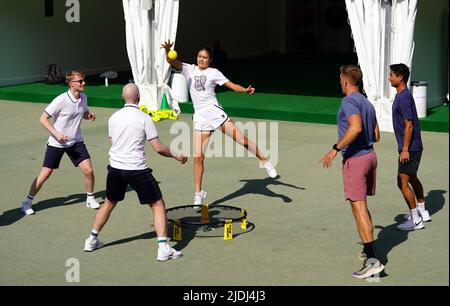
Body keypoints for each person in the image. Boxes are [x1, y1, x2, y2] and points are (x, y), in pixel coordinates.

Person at [161, 40, 277, 207]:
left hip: (215, 113)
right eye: (200, 56)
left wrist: (244, 90)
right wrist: (167, 50)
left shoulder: (214, 72)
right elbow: (171, 61)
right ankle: (198, 194)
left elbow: (232, 85)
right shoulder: (188, 69)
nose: (201, 59)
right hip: (200, 117)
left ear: (210, 60)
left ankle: (266, 162)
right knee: (198, 158)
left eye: (205, 57)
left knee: (242, 141)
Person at [84, 83, 187, 261]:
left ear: (123, 97)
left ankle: (91, 240)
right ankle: (163, 249)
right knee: (158, 205)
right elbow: (158, 148)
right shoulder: (145, 118)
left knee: (108, 203)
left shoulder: (113, 118)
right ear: (138, 97)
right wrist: (177, 155)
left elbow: (113, 141)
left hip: (115, 169)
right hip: (137, 170)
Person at [320, 65, 384, 279]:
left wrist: (335, 148)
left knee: (358, 208)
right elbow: (376, 135)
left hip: (355, 161)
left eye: (340, 80)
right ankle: (368, 249)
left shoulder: (348, 101)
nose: (340, 83)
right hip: (370, 157)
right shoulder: (367, 102)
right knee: (361, 207)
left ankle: (373, 260)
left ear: (346, 82)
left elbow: (355, 127)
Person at [20, 71, 100, 215]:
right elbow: (43, 118)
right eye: (80, 81)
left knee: (88, 170)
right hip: (57, 143)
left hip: (76, 141)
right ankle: (27, 202)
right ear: (71, 83)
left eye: (83, 80)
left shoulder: (84, 97)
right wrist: (57, 134)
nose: (84, 83)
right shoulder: (61, 100)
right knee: (46, 173)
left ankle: (90, 198)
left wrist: (89, 116)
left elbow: (84, 113)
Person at [389, 63, 429, 231]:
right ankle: (422, 211)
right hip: (412, 146)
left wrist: (405, 149)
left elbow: (409, 125)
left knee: (402, 182)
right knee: (412, 177)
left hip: (410, 148)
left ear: (400, 78)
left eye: (392, 75)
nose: (389, 77)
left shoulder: (404, 97)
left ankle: (416, 220)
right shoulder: (402, 95)